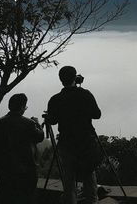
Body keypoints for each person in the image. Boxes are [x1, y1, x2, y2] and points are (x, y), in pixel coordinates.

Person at [46, 66, 102, 204]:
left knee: (69, 180)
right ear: (75, 78)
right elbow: (97, 114)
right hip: (86, 142)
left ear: (61, 79)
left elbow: (52, 121)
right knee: (89, 177)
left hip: (66, 142)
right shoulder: (85, 94)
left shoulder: (55, 99)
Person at [0, 93, 44, 204]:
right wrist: (38, 124)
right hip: (25, 169)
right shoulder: (29, 124)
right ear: (22, 107)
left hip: (3, 168)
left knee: (6, 197)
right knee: (26, 197)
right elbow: (40, 137)